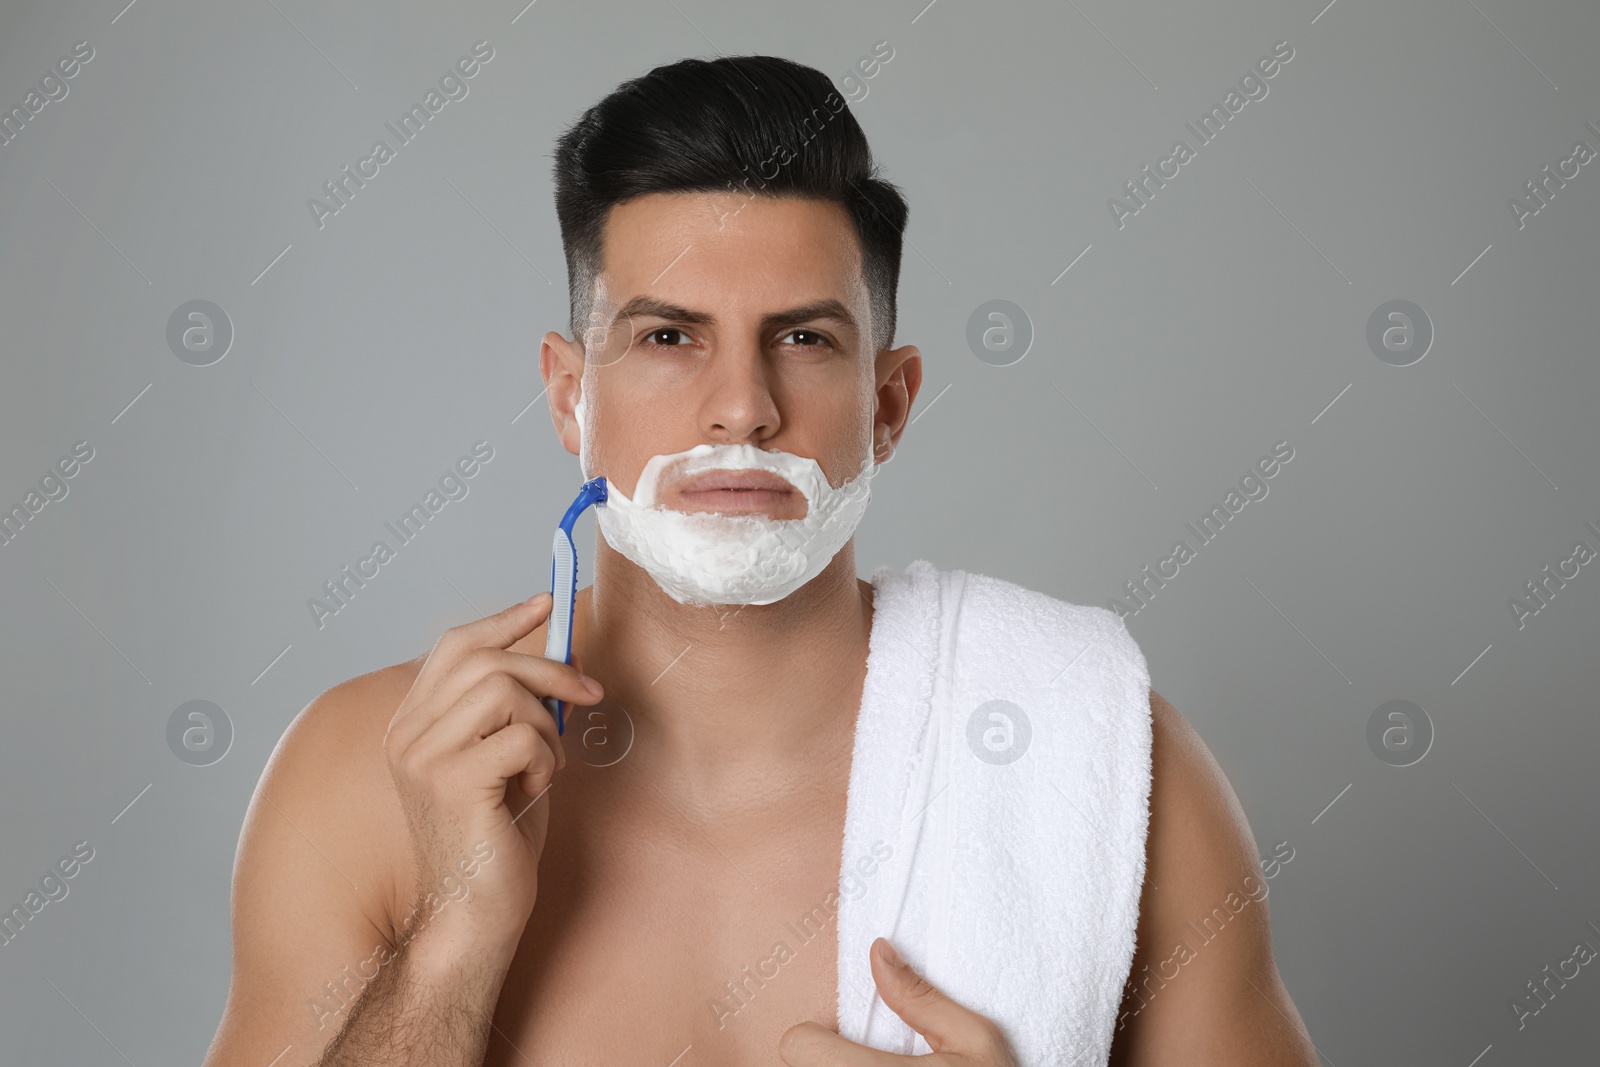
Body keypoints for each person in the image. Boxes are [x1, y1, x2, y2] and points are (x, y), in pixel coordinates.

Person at [202, 55, 1319, 1067]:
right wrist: (452, 939)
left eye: (803, 337)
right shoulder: (370, 775)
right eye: (666, 336)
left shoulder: (1109, 765)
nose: (739, 408)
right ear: (568, 396)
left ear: (887, 403)